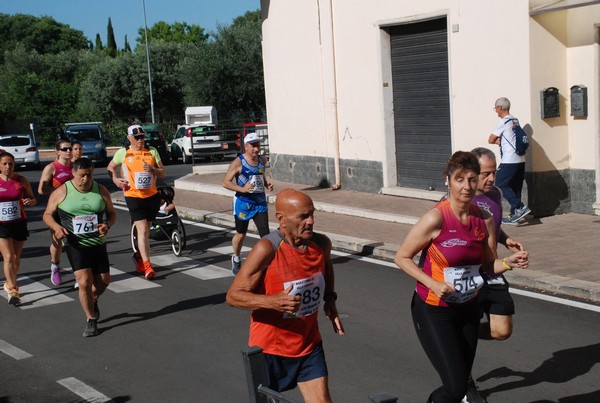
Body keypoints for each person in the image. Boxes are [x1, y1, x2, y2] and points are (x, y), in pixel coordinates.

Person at [394, 151, 529, 403]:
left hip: (468, 308)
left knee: (461, 387)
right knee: (455, 388)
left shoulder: (485, 219)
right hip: (434, 309)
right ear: (448, 180)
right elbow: (401, 257)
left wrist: (509, 263)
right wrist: (432, 283)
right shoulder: (436, 218)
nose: (466, 186)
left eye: (471, 179)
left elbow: (487, 267)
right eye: (459, 179)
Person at [226, 189, 344, 402]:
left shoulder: (321, 244)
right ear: (281, 219)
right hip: (270, 349)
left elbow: (327, 264)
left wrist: (330, 299)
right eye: (303, 216)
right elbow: (234, 296)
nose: (311, 221)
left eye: (312, 214)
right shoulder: (267, 249)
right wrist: (272, 301)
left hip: (308, 345)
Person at [465, 147, 525, 402]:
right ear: (472, 174)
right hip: (469, 275)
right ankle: (465, 384)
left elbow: (494, 226)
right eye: (486, 174)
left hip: (494, 271)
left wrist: (506, 238)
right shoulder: (461, 200)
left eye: (494, 172)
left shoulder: (497, 193)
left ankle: (459, 333)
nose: (492, 179)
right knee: (465, 333)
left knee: (502, 330)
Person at [43, 158, 116, 337]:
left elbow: (112, 213)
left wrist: (107, 224)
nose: (85, 178)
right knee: (83, 281)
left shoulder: (101, 190)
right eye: (82, 175)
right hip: (76, 243)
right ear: (74, 173)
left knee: (104, 281)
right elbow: (47, 214)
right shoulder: (62, 191)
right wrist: (57, 227)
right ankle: (90, 320)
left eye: (89, 175)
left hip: (97, 243)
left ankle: (93, 298)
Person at [107, 124, 166, 280]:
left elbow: (163, 172)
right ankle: (148, 266)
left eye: (142, 137)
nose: (141, 140)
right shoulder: (123, 153)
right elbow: (110, 167)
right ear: (129, 138)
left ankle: (139, 257)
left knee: (146, 230)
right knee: (143, 230)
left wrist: (153, 170)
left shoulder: (152, 151)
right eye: (137, 137)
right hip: (133, 196)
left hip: (151, 195)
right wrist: (115, 179)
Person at [222, 132, 274, 275]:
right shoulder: (238, 163)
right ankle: (237, 258)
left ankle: (267, 266)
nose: (257, 149)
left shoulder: (262, 160)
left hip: (260, 203)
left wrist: (266, 183)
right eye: (253, 146)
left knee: (266, 236)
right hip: (243, 203)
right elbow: (225, 182)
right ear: (246, 146)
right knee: (240, 234)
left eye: (258, 145)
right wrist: (242, 189)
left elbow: (260, 173)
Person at [0, 152, 37, 306]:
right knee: (8, 256)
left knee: (15, 257)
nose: (8, 166)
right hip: (1, 224)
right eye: (4, 164)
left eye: (10, 163)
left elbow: (33, 199)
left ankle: (9, 283)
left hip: (18, 222)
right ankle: (13, 290)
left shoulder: (21, 180)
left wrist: (30, 201)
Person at [488, 97, 530, 224]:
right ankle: (515, 215)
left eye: (495, 108)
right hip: (520, 159)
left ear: (500, 108)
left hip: (509, 160)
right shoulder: (515, 120)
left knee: (500, 183)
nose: (496, 111)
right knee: (515, 187)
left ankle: (520, 206)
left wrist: (497, 142)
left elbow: (490, 139)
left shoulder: (504, 122)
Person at [38, 139, 74, 285]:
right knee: (57, 241)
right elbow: (41, 190)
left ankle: (79, 272)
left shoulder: (76, 166)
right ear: (57, 152)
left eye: (70, 148)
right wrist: (60, 191)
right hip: (56, 210)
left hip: (74, 209)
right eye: (65, 149)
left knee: (75, 241)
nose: (68, 152)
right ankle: (55, 265)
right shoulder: (51, 168)